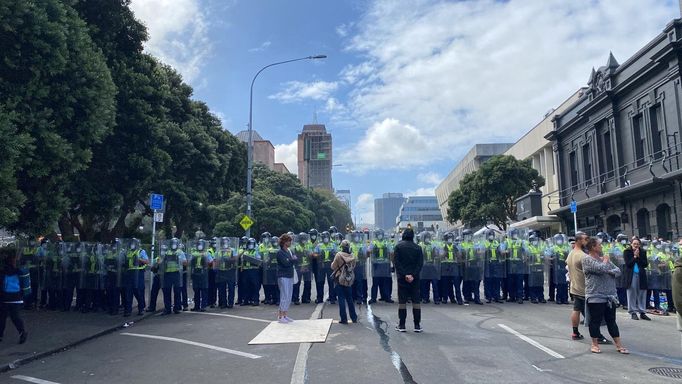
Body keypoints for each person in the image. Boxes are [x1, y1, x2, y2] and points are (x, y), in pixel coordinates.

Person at [582, 237, 629, 354]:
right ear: (593, 247)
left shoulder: (604, 259)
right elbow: (600, 268)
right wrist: (605, 263)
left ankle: (618, 345)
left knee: (611, 320)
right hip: (596, 295)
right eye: (599, 245)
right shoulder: (587, 260)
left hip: (610, 295)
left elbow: (618, 270)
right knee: (595, 320)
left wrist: (608, 269)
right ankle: (594, 344)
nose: (601, 247)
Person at [393, 228, 424, 333]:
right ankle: (417, 325)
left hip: (402, 278)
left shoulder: (398, 247)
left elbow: (396, 263)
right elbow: (420, 264)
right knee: (416, 302)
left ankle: (402, 325)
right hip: (414, 279)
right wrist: (412, 275)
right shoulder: (418, 248)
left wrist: (405, 274)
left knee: (402, 302)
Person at [0, 248, 29, 344]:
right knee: (15, 317)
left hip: (5, 297)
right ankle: (22, 332)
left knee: (2, 317)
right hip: (16, 297)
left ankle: (0, 335)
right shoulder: (19, 271)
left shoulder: (3, 271)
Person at [567, 232, 588, 340]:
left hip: (574, 286)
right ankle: (597, 336)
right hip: (583, 287)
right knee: (592, 314)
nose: (587, 241)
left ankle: (575, 333)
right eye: (585, 239)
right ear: (579, 240)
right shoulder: (582, 255)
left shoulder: (571, 253)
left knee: (577, 309)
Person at [623, 238, 650, 320]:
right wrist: (634, 256)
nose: (636, 245)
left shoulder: (643, 252)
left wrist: (638, 257)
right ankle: (632, 311)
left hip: (641, 274)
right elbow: (628, 264)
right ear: (631, 244)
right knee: (632, 292)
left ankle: (642, 312)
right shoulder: (627, 251)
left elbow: (645, 264)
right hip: (632, 274)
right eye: (634, 244)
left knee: (642, 292)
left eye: (637, 244)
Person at [331, 240, 358, 324]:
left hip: (339, 279)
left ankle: (344, 319)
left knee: (341, 299)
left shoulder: (338, 255)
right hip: (348, 279)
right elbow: (353, 266)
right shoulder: (352, 256)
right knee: (350, 299)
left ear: (341, 247)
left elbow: (333, 266)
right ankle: (354, 318)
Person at [276, 234, 296, 323]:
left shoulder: (289, 251)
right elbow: (285, 263)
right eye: (289, 241)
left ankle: (285, 314)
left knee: (288, 296)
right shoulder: (280, 253)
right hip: (283, 276)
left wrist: (291, 259)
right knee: (284, 295)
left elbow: (294, 260)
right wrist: (292, 260)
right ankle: (280, 316)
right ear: (284, 242)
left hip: (289, 275)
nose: (290, 242)